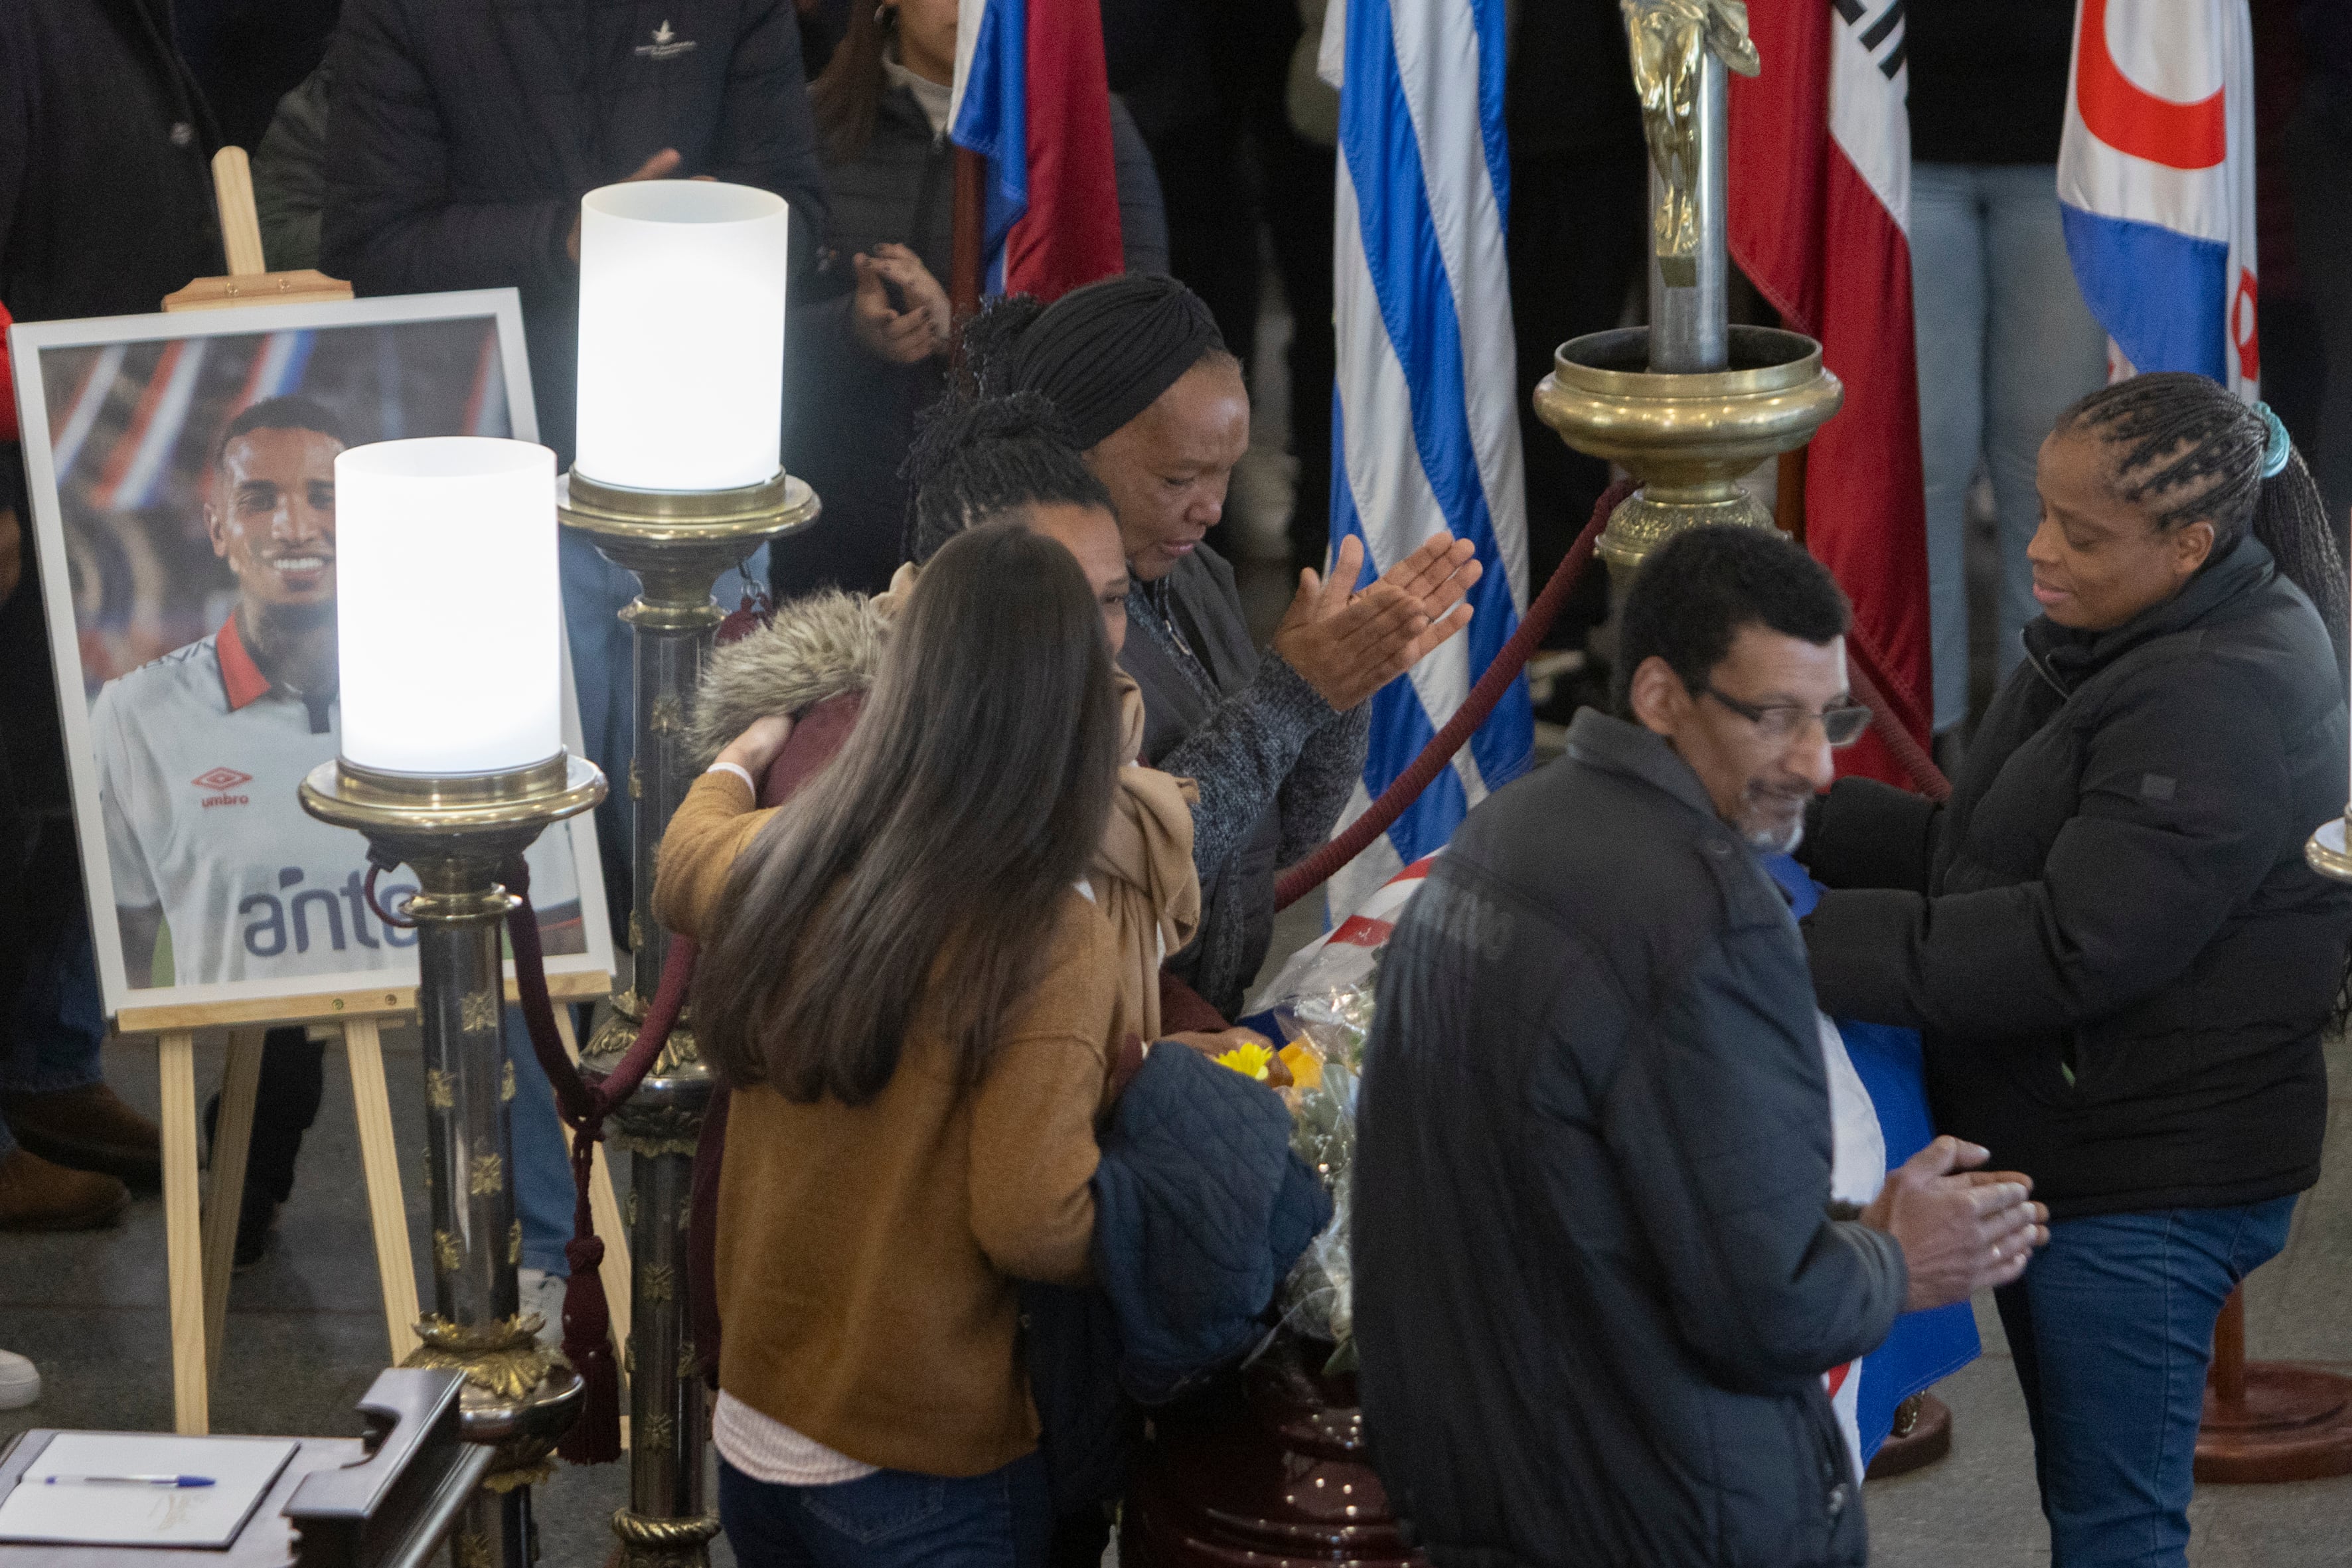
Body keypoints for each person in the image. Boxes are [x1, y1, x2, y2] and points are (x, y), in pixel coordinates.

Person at [1352, 524, 2048, 1567]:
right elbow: (1766, 1305)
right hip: (1661, 1506)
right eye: (1773, 718)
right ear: (1658, 695)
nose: (1817, 767)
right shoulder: (1710, 921)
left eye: (1829, 717)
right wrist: (1896, 1255)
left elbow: (1608, 1195)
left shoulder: (1501, 836)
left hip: (1481, 1477)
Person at [1799, 374, 2352, 1567]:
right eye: (2038, 514)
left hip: (2146, 1179)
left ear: (2189, 542)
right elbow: (1970, 849)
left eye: (2081, 534)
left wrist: (1784, 952)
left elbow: (2071, 941)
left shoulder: (2214, 693)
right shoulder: (2118, 634)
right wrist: (1781, 804)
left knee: (2113, 1530)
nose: (2038, 554)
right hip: (2076, 1141)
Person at [659, 526, 1129, 1567]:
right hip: (924, 1472)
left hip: (754, 1445)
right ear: (1077, 706)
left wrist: (746, 750)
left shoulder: (801, 850)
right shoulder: (1049, 930)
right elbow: (1030, 1218)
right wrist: (1172, 1201)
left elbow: (684, 858)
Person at [320, 0, 830, 938]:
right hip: (489, 494)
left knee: (708, 849)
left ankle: (704, 1079)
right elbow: (370, 245)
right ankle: (521, 1089)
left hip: (697, 472)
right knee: (507, 875)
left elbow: (800, 219)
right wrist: (567, 238)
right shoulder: (400, 14)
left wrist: (709, 226)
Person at [86, 396, 587, 1277]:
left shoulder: (472, 690)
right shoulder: (138, 710)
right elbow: (141, 942)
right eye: (259, 499)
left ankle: (540, 1258)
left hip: (453, 961)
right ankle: (245, 1176)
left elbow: (546, 933)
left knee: (506, 998)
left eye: (326, 495)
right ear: (215, 525)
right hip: (263, 994)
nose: (297, 524)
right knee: (269, 1045)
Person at [969, 273, 1482, 1018]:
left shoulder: (1190, 570)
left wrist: (1339, 688)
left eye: (1227, 472)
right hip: (1098, 1033)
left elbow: (1278, 840)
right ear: (1066, 451)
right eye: (1180, 477)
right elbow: (1124, 875)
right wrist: (1288, 698)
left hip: (1195, 1017)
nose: (1212, 509)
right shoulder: (1011, 611)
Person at [0, 0, 225, 1228]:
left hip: (101, 454)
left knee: (71, 777)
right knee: (14, 794)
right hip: (29, 458)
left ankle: (46, 1062)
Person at [770, 0, 1167, 597]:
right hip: (833, 522)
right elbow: (745, 333)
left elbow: (1138, 339)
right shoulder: (810, 123)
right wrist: (851, 329)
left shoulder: (1085, 128)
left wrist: (961, 327)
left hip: (1014, 536)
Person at [1908, 0, 2112, 747]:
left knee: (2053, 469)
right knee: (1924, 464)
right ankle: (1927, 746)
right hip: (1900, 144)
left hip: (2071, 151)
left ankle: (2040, 740)